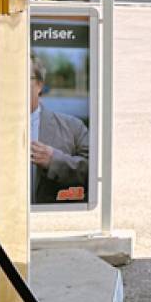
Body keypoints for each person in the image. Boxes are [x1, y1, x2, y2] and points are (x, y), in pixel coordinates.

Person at [30, 57, 90, 203]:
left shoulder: (73, 127)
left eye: (22, 77)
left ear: (39, 85)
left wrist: (54, 161)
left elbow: (95, 172)